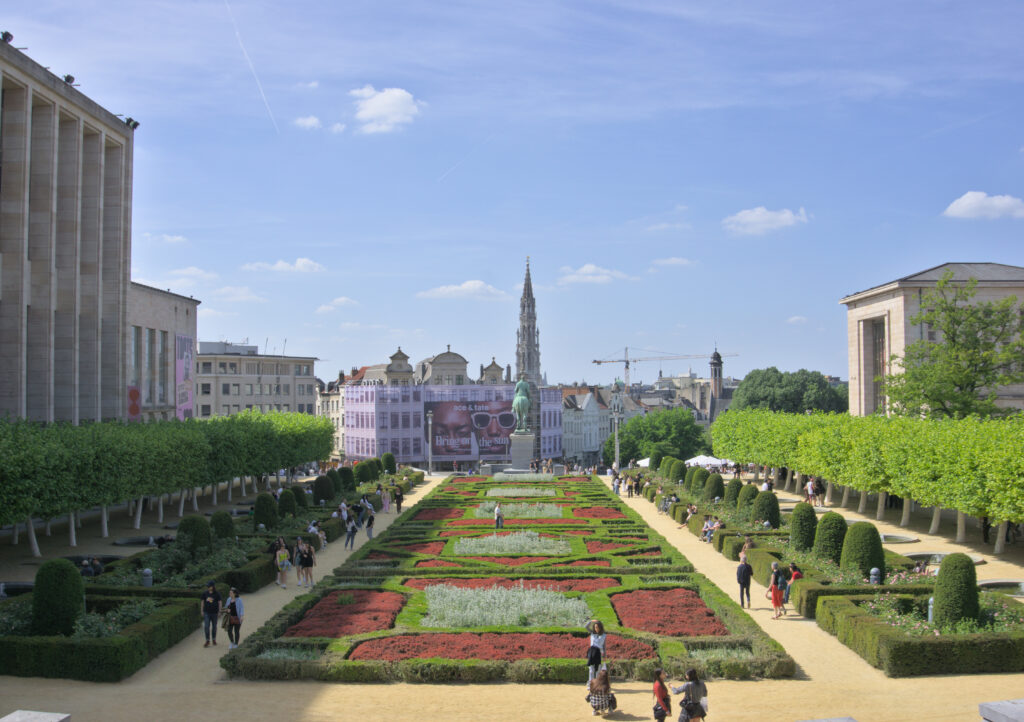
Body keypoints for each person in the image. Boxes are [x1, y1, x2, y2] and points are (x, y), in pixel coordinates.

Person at [200, 580, 222, 647]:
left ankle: (214, 639)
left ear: (212, 587)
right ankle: (207, 640)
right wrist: (201, 610)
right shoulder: (205, 593)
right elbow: (202, 602)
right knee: (206, 626)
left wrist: (219, 611)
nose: (208, 587)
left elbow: (220, 602)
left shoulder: (217, 594)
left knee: (214, 627)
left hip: (214, 613)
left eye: (209, 586)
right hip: (207, 612)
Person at [584, 619, 606, 685]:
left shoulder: (604, 635)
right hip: (592, 652)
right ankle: (590, 684)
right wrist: (591, 621)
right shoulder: (592, 633)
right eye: (595, 627)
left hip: (598, 652)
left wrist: (604, 655)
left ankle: (597, 683)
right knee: (591, 669)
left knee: (598, 669)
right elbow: (586, 627)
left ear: (600, 627)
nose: (596, 628)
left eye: (597, 627)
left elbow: (604, 646)